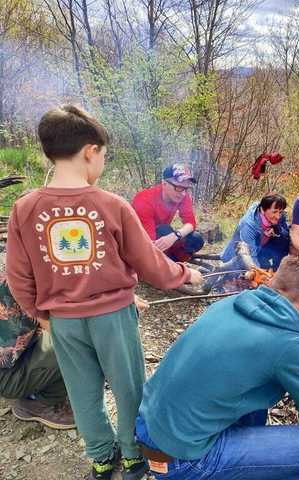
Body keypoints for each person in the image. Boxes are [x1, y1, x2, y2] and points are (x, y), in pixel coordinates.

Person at [6, 105, 204, 480]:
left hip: (63, 321)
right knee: (129, 387)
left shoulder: (25, 208)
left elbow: (18, 276)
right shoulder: (112, 205)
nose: (103, 163)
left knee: (82, 393)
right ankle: (132, 456)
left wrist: (41, 314)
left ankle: (100, 458)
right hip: (113, 316)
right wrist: (185, 273)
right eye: (104, 155)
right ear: (89, 152)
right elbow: (150, 264)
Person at [135, 255, 299, 479]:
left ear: (272, 283)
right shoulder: (289, 344)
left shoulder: (230, 303)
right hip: (182, 461)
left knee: (256, 387)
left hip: (146, 431)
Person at [0, 276, 75, 429]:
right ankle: (41, 402)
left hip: (24, 348)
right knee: (75, 343)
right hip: (8, 374)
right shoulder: (14, 281)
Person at [132, 163, 204, 262]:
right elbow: (149, 243)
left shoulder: (182, 195)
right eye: (179, 187)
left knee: (196, 239)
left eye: (186, 188)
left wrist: (176, 235)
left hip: (160, 241)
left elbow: (191, 223)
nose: (183, 193)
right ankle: (163, 268)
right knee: (164, 230)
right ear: (164, 184)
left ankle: (175, 263)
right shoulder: (144, 199)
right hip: (138, 244)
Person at [221, 194, 290, 270]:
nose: (278, 216)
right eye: (274, 212)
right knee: (245, 273)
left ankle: (278, 269)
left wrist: (277, 230)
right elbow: (250, 256)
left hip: (262, 249)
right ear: (263, 210)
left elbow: (286, 233)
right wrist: (259, 273)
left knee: (284, 238)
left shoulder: (278, 214)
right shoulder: (248, 225)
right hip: (240, 255)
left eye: (280, 212)